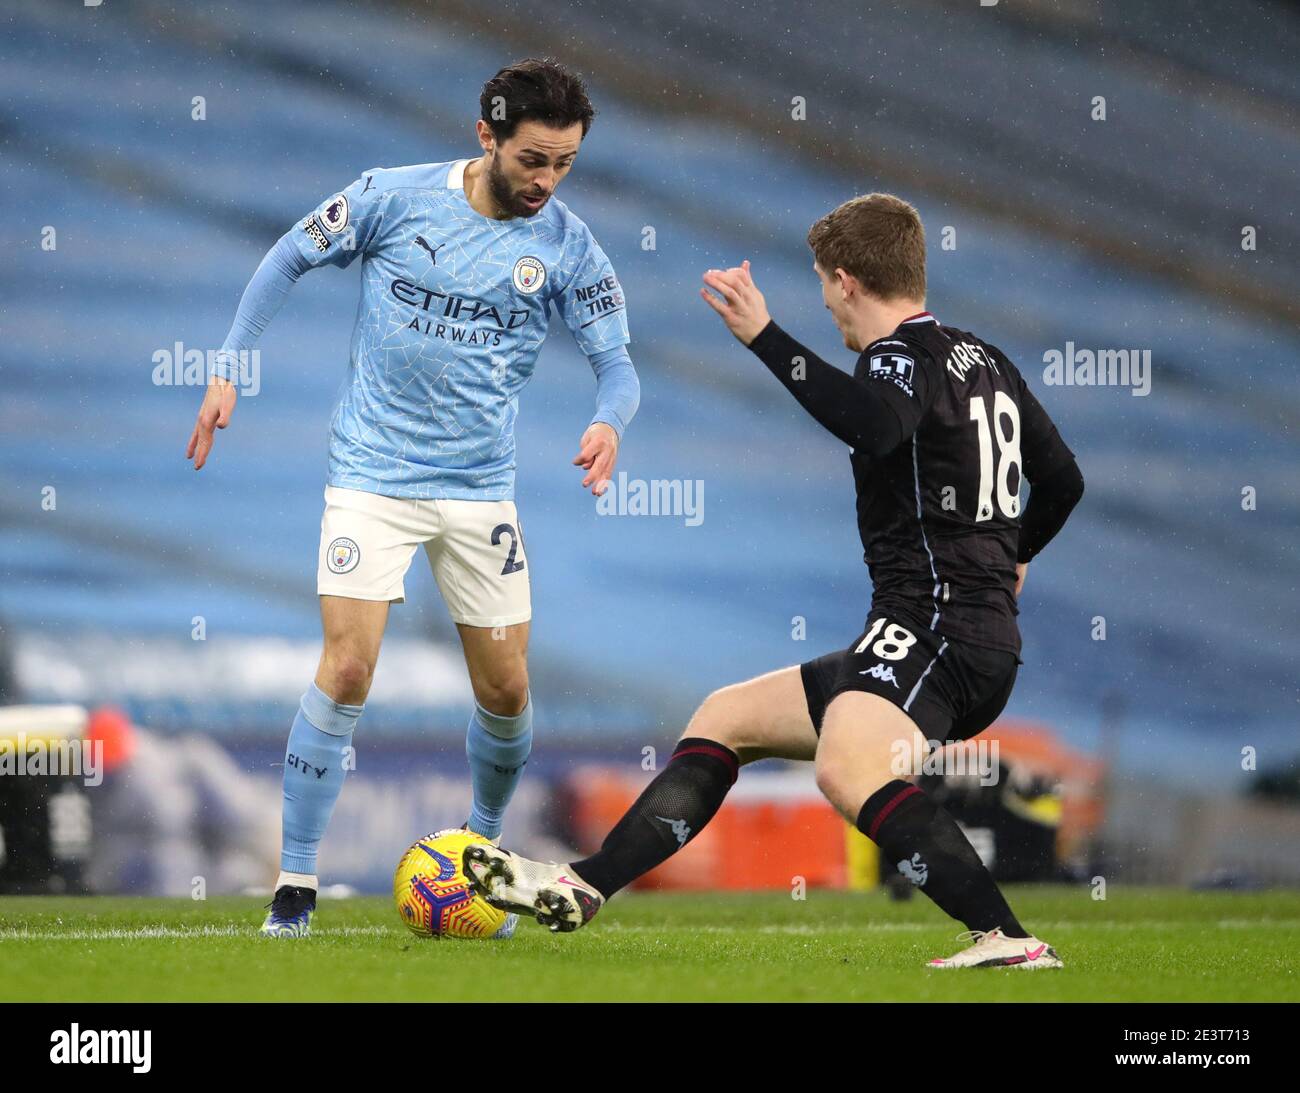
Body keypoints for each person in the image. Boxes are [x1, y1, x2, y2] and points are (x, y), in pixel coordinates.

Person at [464, 193, 1083, 969]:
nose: (827, 305)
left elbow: (875, 424)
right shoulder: (983, 358)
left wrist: (764, 337)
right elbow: (1064, 480)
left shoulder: (898, 357)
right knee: (729, 717)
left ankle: (1008, 938)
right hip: (949, 630)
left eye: (825, 285)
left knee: (849, 770)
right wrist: (1015, 556)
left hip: (937, 629)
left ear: (849, 280)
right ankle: (586, 884)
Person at [186, 59, 639, 938]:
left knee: (506, 692)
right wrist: (231, 363)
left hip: (480, 494)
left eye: (566, 164)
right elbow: (288, 256)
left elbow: (617, 363)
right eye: (534, 160)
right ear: (487, 137)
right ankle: (296, 885)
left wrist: (610, 422)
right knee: (349, 665)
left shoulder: (569, 246)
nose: (548, 181)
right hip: (372, 480)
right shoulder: (391, 198)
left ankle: (483, 853)